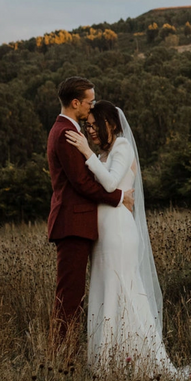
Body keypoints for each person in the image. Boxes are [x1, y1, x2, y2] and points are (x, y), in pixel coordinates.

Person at [64, 100, 191, 377]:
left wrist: (85, 151)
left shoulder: (122, 147)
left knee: (123, 289)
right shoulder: (100, 157)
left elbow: (110, 183)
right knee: (105, 289)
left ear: (110, 124)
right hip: (104, 234)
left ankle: (138, 360)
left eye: (94, 126)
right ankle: (108, 362)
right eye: (87, 127)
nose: (90, 132)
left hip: (119, 233)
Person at [46, 77, 133, 353]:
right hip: (72, 224)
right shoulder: (65, 133)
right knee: (69, 296)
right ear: (75, 103)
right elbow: (82, 182)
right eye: (89, 102)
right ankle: (61, 356)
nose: (91, 106)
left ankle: (67, 352)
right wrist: (119, 197)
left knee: (73, 294)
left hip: (79, 224)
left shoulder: (69, 131)